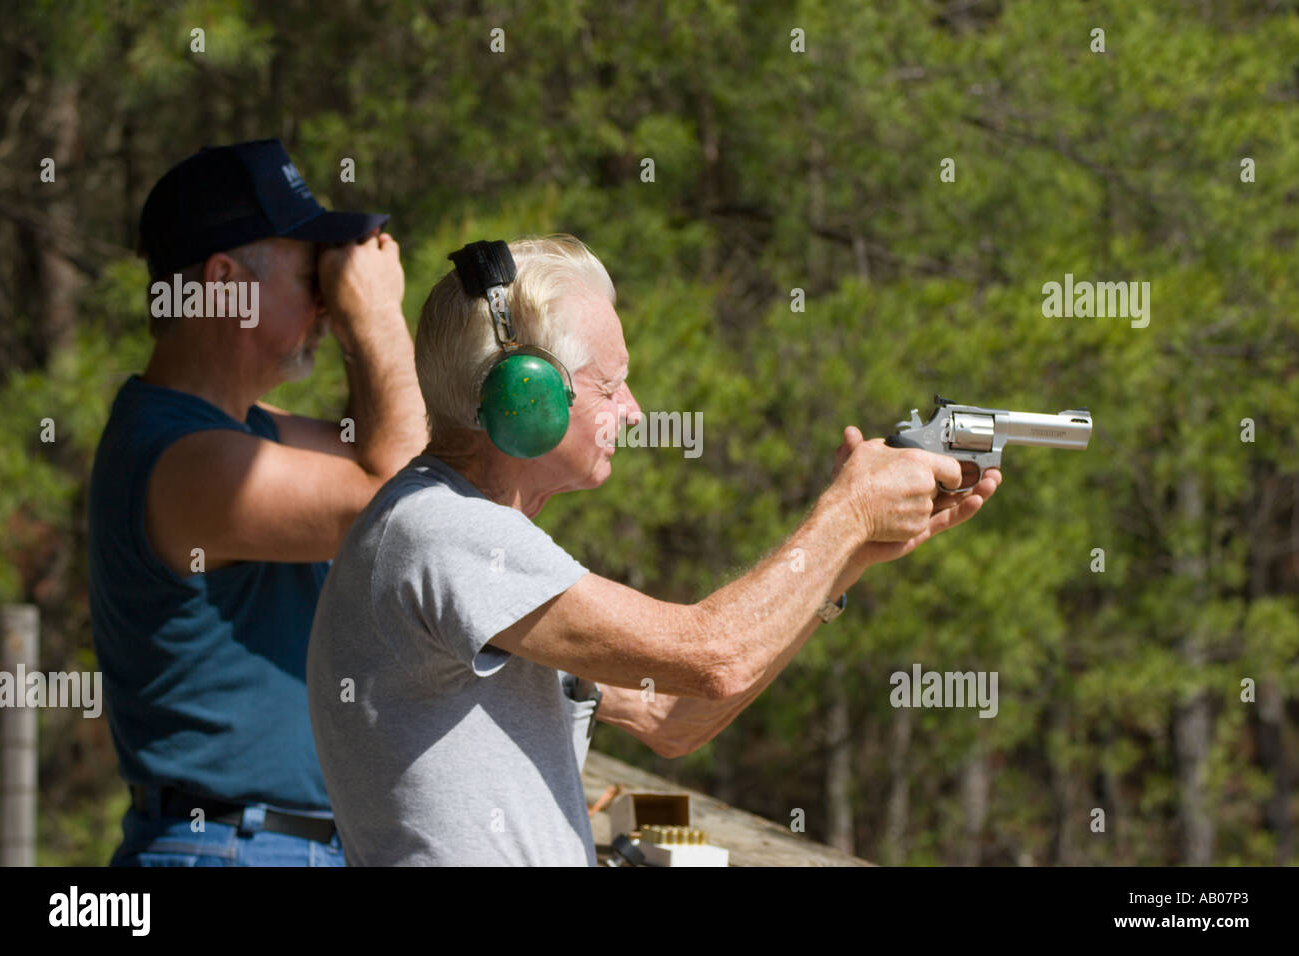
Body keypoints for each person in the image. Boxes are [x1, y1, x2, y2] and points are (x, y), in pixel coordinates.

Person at [306, 234, 1001, 865]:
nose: (633, 410)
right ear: (528, 398)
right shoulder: (444, 532)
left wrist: (846, 557)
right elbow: (714, 655)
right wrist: (845, 515)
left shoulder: (452, 533)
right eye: (610, 385)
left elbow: (673, 718)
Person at [88, 139, 427, 866]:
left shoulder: (242, 430)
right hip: (233, 848)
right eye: (311, 277)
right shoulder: (186, 461)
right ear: (223, 282)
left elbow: (401, 458)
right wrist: (376, 316)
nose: (324, 301)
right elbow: (399, 502)